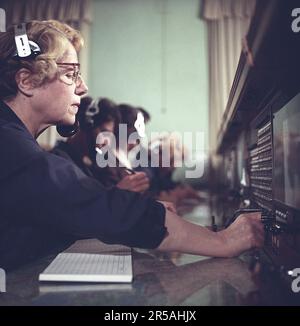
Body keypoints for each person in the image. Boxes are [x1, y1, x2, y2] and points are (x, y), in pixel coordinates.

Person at [0, 20, 264, 271]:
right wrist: (223, 241)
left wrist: (142, 208)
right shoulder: (10, 144)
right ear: (27, 81)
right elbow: (95, 204)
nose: (83, 87)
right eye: (71, 74)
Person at [52, 96, 150, 193]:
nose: (107, 141)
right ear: (86, 126)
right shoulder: (59, 160)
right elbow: (76, 204)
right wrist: (118, 192)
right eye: (104, 132)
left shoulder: (92, 162)